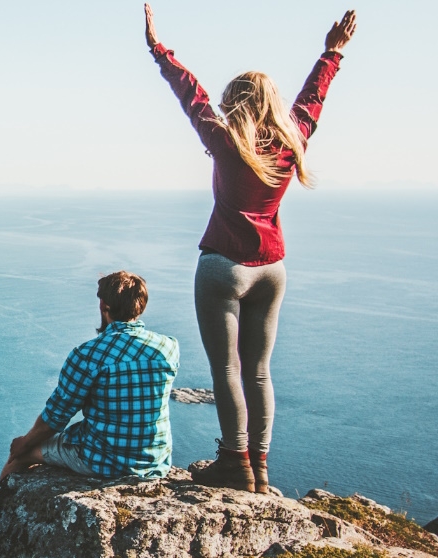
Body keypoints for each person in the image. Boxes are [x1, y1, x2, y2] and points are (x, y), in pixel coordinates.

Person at [144, 5, 357, 493]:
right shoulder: (293, 140)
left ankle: (234, 462)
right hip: (272, 269)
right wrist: (332, 52)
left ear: (236, 104)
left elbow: (191, 93)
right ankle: (259, 466)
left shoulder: (224, 141)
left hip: (223, 266)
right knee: (259, 372)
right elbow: (313, 98)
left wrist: (159, 50)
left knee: (227, 370)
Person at [0, 272, 179, 484]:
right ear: (141, 305)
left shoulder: (88, 355)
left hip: (103, 460)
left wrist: (25, 443)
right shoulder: (169, 348)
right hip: (154, 462)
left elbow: (56, 416)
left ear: (103, 305)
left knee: (20, 457)